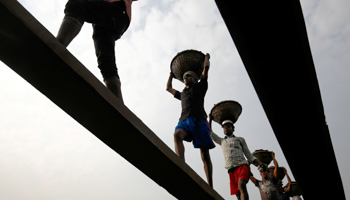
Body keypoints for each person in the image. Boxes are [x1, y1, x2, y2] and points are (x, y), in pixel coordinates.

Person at [56, 0, 134, 104]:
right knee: (105, 61)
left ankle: (56, 46)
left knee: (78, 3)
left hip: (117, 10)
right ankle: (119, 107)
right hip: (107, 21)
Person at [166, 53, 215, 187]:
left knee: (204, 154)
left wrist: (206, 58)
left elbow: (206, 69)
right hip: (184, 121)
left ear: (194, 78)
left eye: (188, 76)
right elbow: (168, 88)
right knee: (177, 135)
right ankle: (181, 166)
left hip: (199, 121)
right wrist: (171, 75)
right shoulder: (182, 94)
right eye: (184, 77)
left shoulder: (201, 86)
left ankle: (210, 185)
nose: (185, 78)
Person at [209, 117, 265, 200]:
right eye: (224, 127)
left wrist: (259, 163)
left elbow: (249, 155)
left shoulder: (240, 139)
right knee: (237, 194)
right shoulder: (221, 141)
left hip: (242, 166)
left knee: (242, 184)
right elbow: (209, 132)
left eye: (228, 126)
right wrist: (210, 120)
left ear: (232, 128)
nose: (226, 128)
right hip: (231, 169)